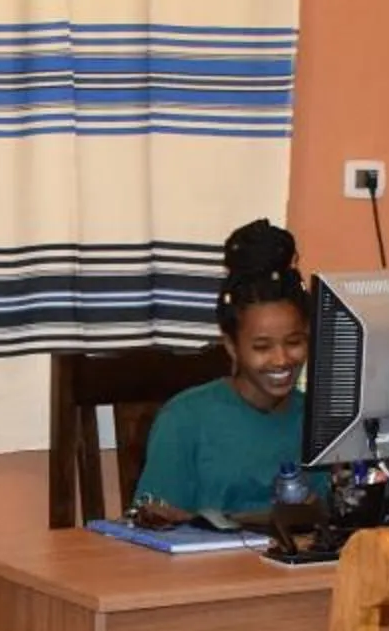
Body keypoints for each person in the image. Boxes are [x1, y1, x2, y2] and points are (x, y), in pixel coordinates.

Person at [130, 219, 309, 523]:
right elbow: (154, 525)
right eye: (262, 347)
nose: (281, 360)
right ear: (231, 346)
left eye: (294, 342)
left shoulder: (318, 420)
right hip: (208, 570)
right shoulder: (185, 421)